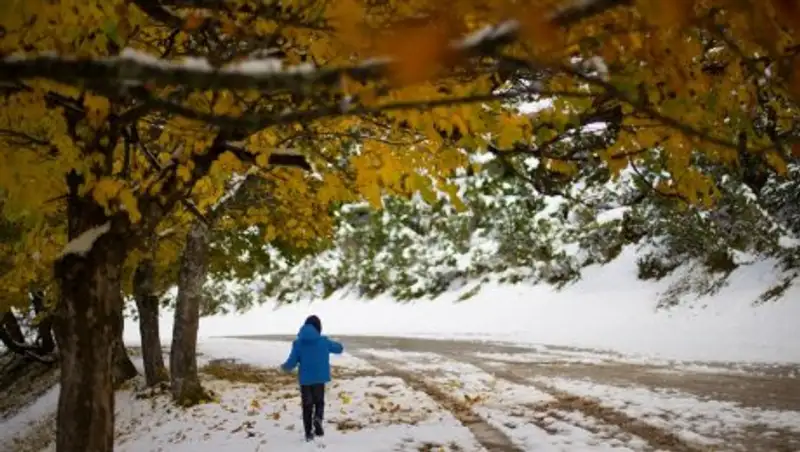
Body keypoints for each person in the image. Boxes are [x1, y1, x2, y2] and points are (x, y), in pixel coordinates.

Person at [280, 315, 344, 442]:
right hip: (320, 379)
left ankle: (308, 433)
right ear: (318, 327)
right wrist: (332, 342)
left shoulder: (298, 343)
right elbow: (339, 348)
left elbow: (292, 362)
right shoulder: (324, 341)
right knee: (319, 402)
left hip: (305, 380)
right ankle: (318, 418)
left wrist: (284, 368)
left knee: (307, 406)